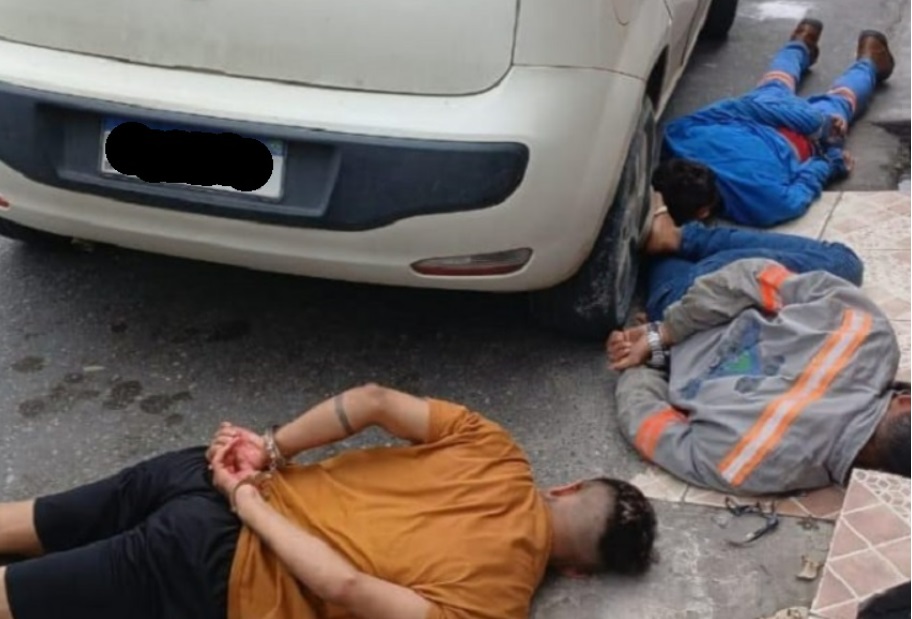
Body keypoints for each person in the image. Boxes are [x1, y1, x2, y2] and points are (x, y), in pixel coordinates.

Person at [0, 385, 657, 619]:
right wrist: (246, 502)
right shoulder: (493, 607)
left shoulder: (497, 448)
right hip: (219, 565)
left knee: (40, 520)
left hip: (206, 472)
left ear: (568, 487)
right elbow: (343, 585)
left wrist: (267, 449)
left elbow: (371, 401)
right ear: (578, 571)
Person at [606, 257, 910, 496]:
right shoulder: (757, 470)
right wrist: (642, 359)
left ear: (906, 401)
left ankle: (674, 233)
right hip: (672, 343)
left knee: (842, 262)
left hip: (697, 298)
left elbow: (753, 276)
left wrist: (667, 331)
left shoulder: (872, 336)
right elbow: (645, 421)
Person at [653, 20, 896, 228]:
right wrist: (827, 153)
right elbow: (805, 181)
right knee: (809, 96)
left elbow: (739, 108)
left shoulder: (765, 203)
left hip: (779, 122)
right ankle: (828, 50)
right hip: (791, 131)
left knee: (815, 98)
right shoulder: (677, 137)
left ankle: (852, 57)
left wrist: (827, 153)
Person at [642, 204, 863, 321]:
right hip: (686, 304)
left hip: (689, 304)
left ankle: (682, 239)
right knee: (843, 264)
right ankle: (681, 239)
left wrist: (656, 338)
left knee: (843, 264)